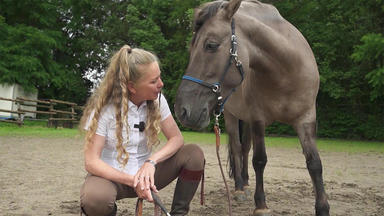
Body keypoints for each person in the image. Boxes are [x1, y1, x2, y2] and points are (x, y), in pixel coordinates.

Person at [79, 45, 205, 216]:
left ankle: (178, 213)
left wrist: (151, 162)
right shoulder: (104, 108)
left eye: (159, 77)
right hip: (113, 179)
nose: (161, 84)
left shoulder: (158, 100)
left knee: (194, 154)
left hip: (149, 175)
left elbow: (176, 139)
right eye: (153, 81)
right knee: (95, 199)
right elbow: (91, 161)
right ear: (132, 86)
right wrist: (133, 181)